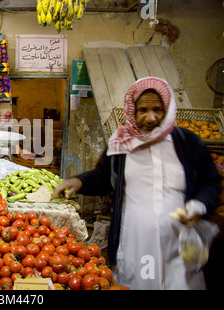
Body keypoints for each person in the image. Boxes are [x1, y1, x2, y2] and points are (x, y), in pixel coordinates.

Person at [53, 77, 221, 290]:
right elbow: (103, 177)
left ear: (167, 109)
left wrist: (200, 204)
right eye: (143, 110)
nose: (150, 117)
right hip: (136, 243)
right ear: (132, 111)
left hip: (178, 244)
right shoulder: (121, 144)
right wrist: (79, 181)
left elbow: (210, 181)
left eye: (157, 109)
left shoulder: (187, 142)